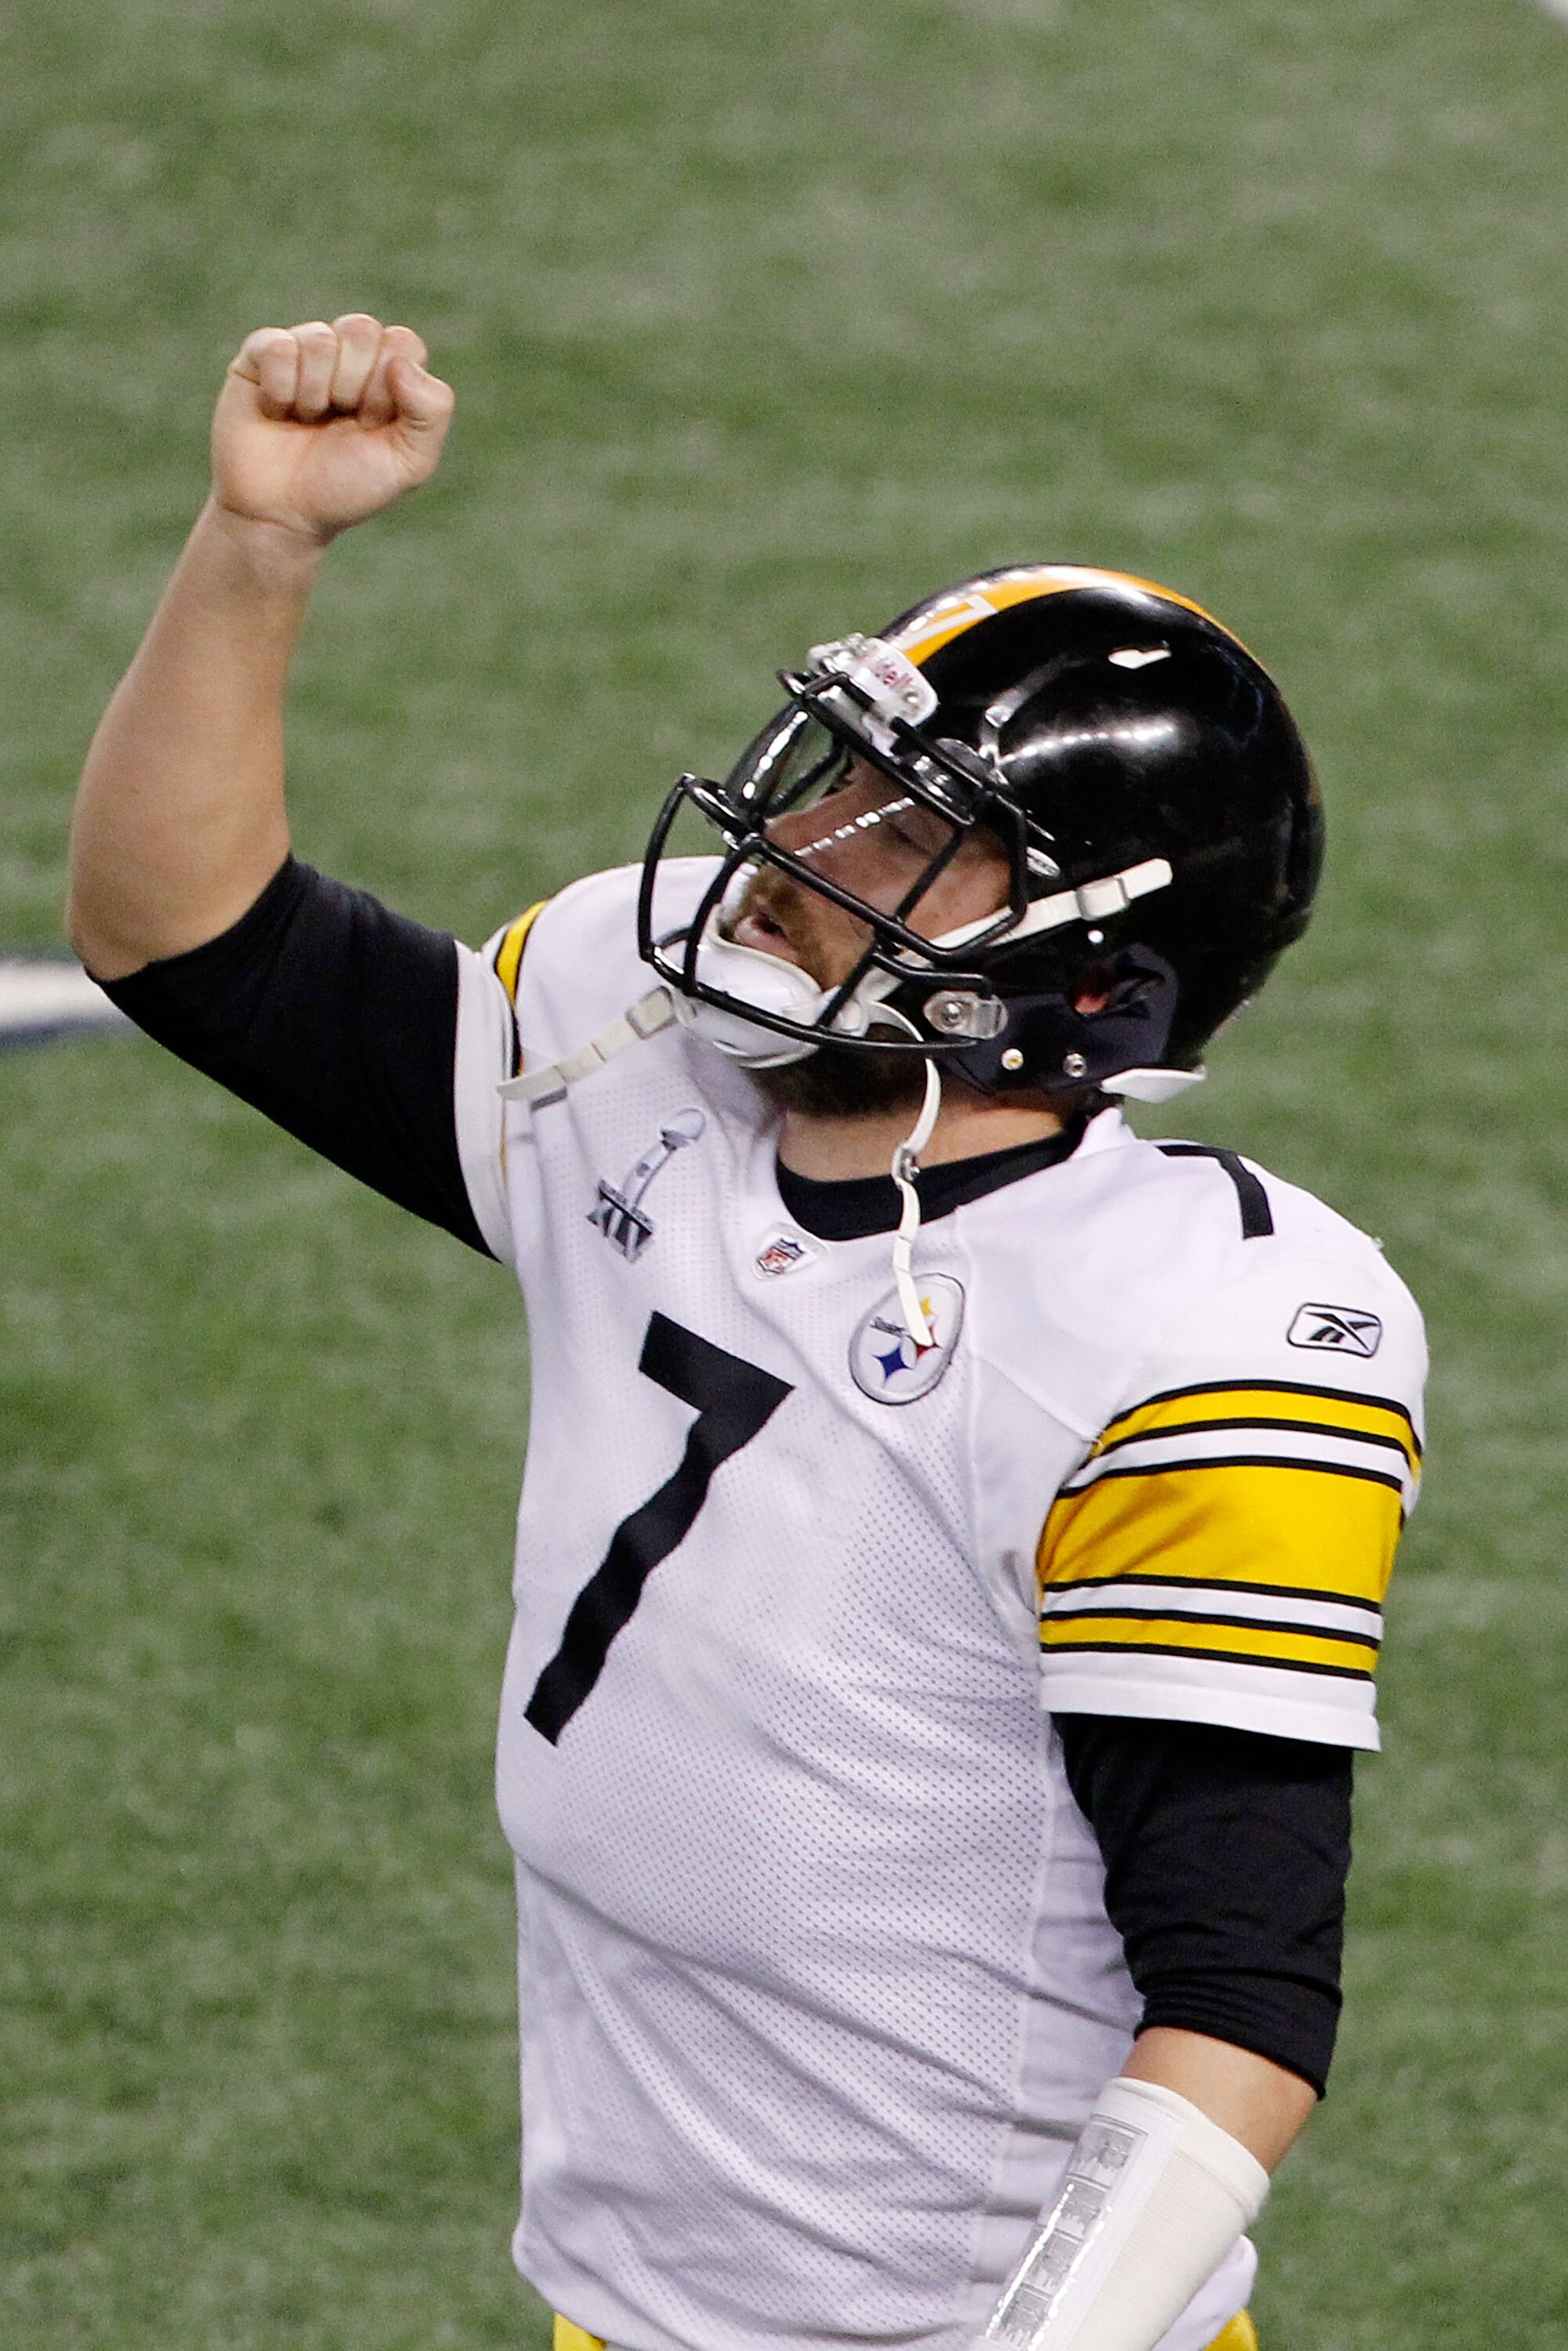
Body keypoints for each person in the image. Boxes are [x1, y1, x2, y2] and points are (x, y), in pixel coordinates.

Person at [67, 315, 1425, 2351]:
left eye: (902, 829)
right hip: (632, 2298)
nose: (802, 849)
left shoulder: (1183, 1330)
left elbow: (1239, 2005)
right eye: (842, 775)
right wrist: (258, 544)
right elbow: (187, 936)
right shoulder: (648, 1052)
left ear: (1076, 966)